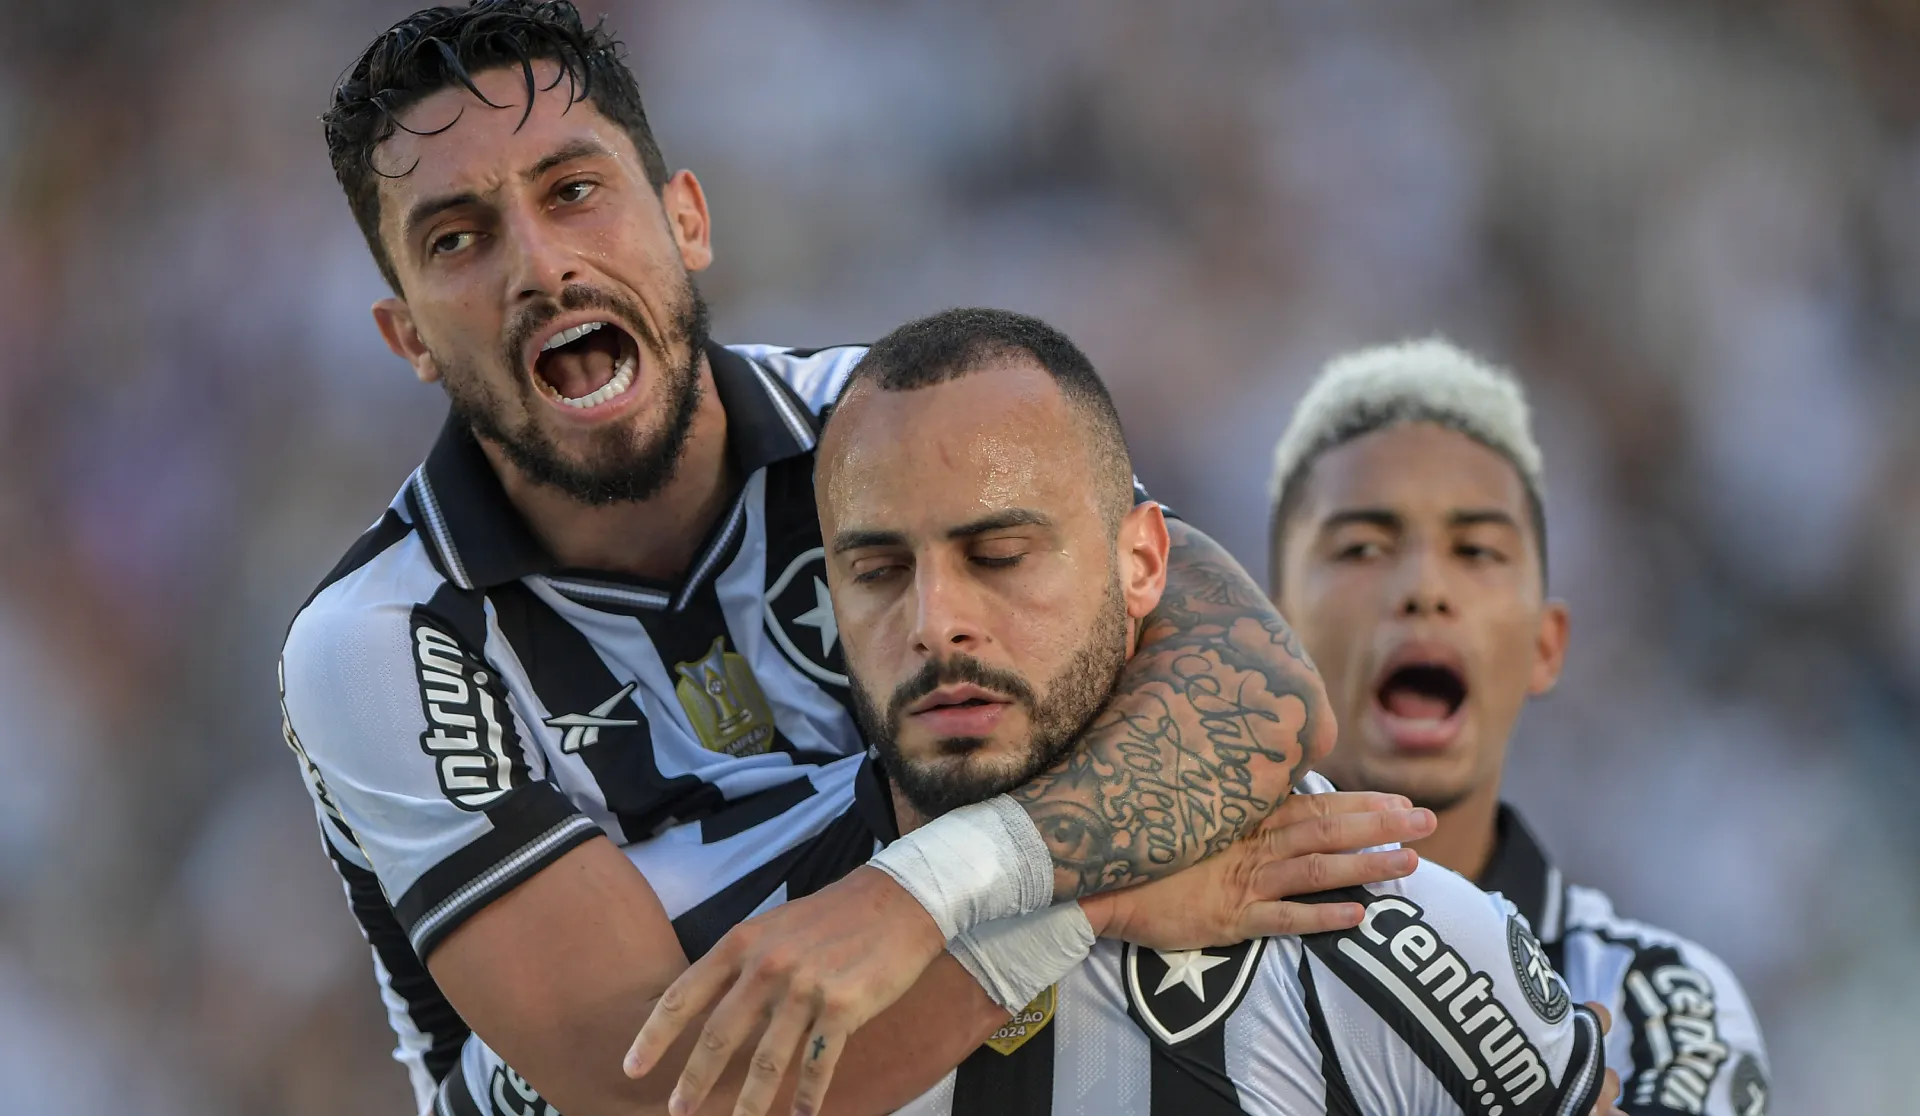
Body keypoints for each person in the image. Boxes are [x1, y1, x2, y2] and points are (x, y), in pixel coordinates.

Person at [281, 4, 1422, 1115]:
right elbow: (663, 1093)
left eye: (573, 191)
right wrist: (1079, 903)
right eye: (457, 240)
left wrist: (918, 895)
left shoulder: (887, 427)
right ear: (409, 335)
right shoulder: (376, 642)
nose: (538, 264)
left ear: (686, 221)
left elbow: (1259, 696)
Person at [703, 306, 1614, 1115]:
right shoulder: (716, 921)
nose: (935, 623)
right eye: (878, 572)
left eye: (1000, 555)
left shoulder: (1373, 927)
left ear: (1141, 564)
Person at [1265, 340, 1771, 1116]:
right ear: (1274, 636)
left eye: (1476, 550)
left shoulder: (1663, 1008)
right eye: (1363, 548)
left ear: (1546, 646)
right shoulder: (1157, 946)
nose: (1424, 588)